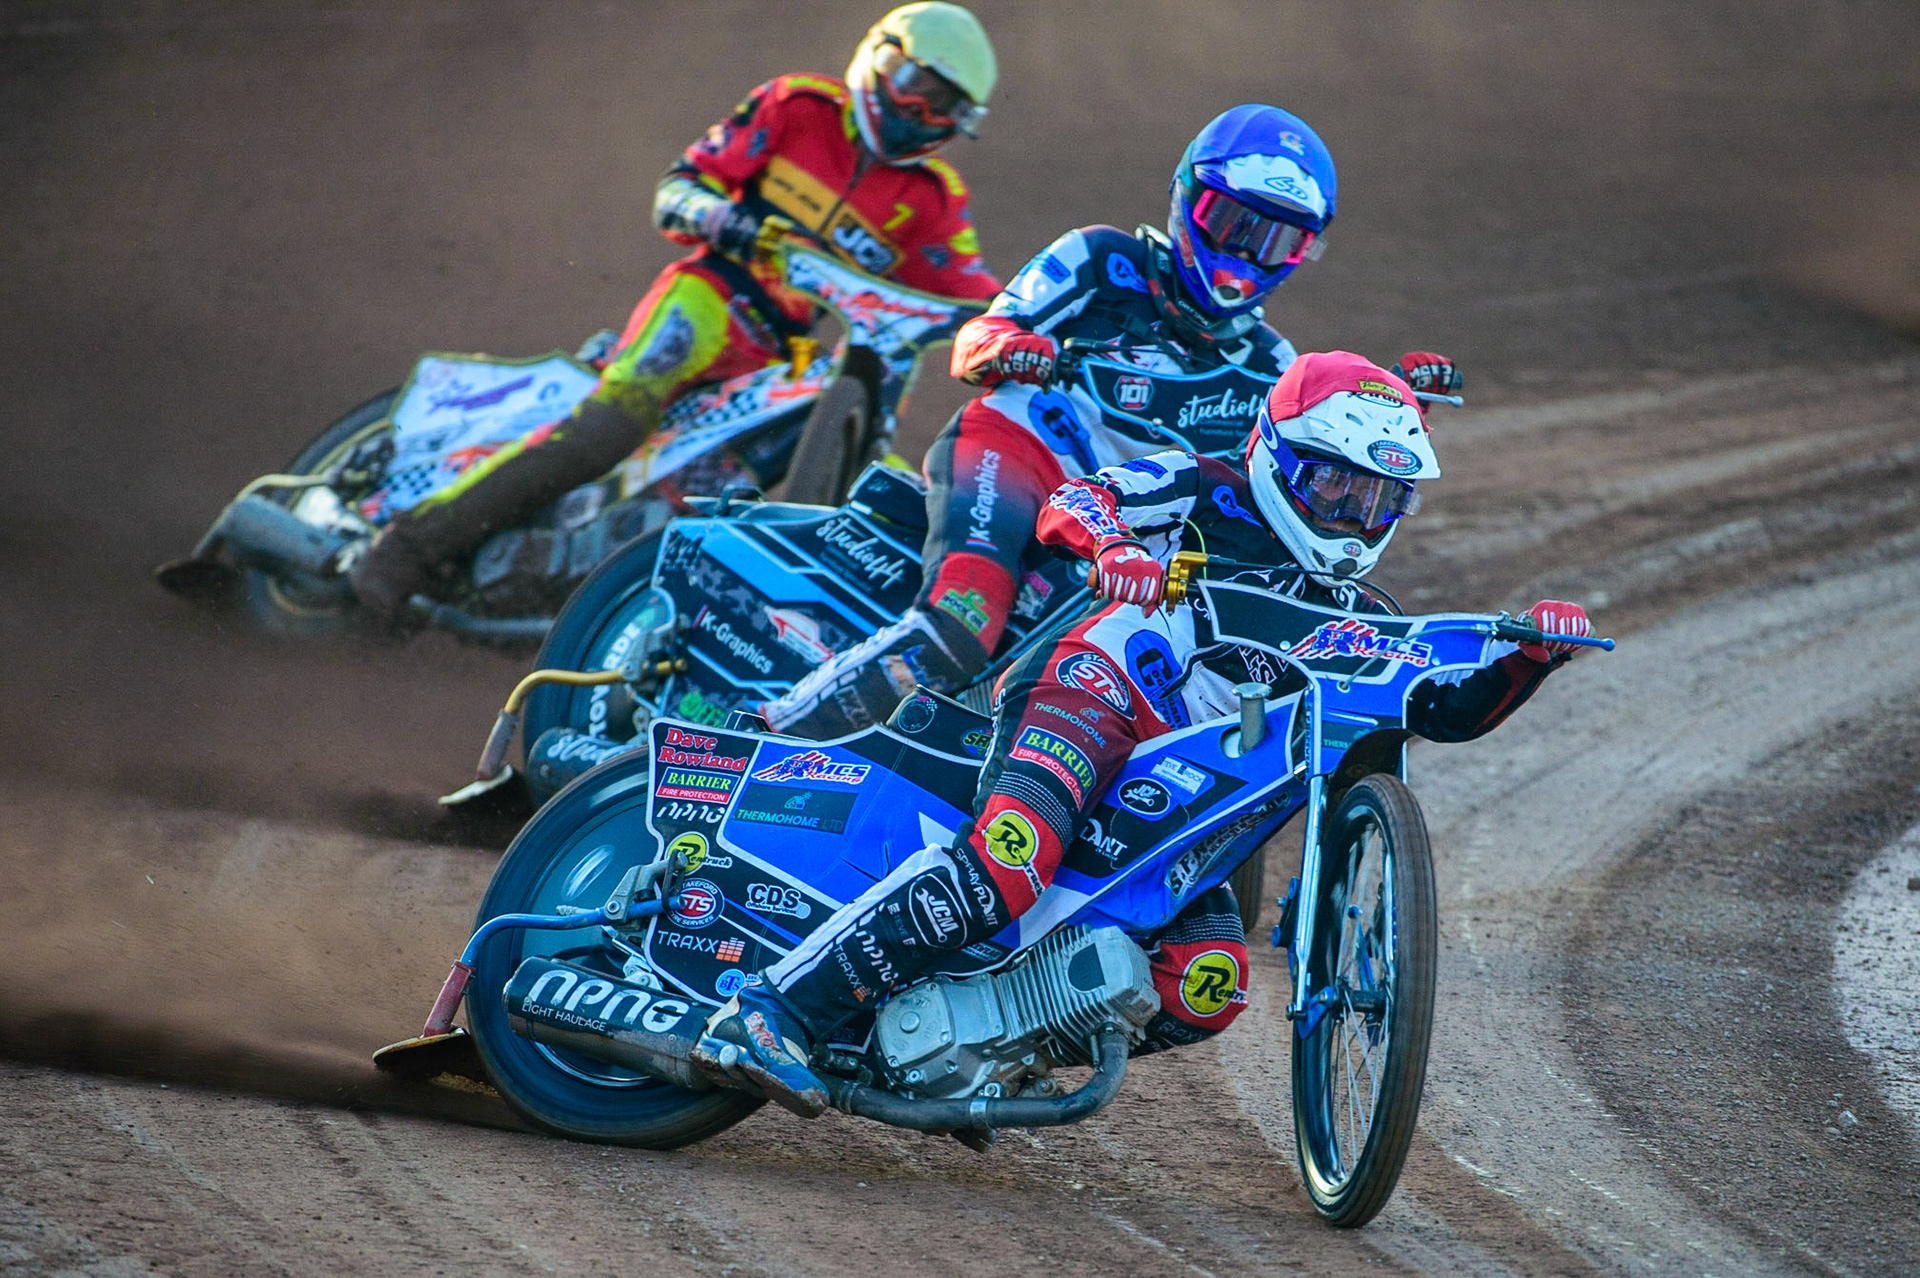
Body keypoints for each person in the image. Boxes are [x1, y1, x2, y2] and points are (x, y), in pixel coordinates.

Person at [694, 351, 1593, 1116]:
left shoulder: (1364, 612)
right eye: (1334, 486)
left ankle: (977, 1055)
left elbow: (1441, 712)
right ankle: (772, 1009)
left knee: (1209, 986)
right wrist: (1115, 548)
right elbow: (1076, 501)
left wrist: (1527, 662)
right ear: (1279, 456)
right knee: (1007, 866)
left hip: (1186, 800)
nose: (1353, 519)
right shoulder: (1205, 485)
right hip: (1097, 693)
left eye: (1379, 500)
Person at [760, 102, 1464, 737]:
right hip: (1022, 455)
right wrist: (1015, 347)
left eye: (1276, 241)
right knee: (963, 624)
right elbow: (978, 338)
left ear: (1302, 252)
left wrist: (1394, 415)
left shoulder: (1275, 363)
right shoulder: (1103, 260)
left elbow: (1294, 472)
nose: (1247, 254)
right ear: (1190, 198)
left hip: (1122, 530)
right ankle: (765, 736)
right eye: (1233, 225)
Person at [348, 3, 1004, 618]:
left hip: (782, 355)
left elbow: (970, 285)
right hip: (708, 296)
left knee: (731, 488)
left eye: (943, 105)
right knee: (612, 424)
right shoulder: (797, 107)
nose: (919, 109)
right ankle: (407, 549)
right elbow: (679, 187)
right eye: (916, 83)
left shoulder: (932, 200)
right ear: (881, 57)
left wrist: (1024, 319)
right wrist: (733, 221)